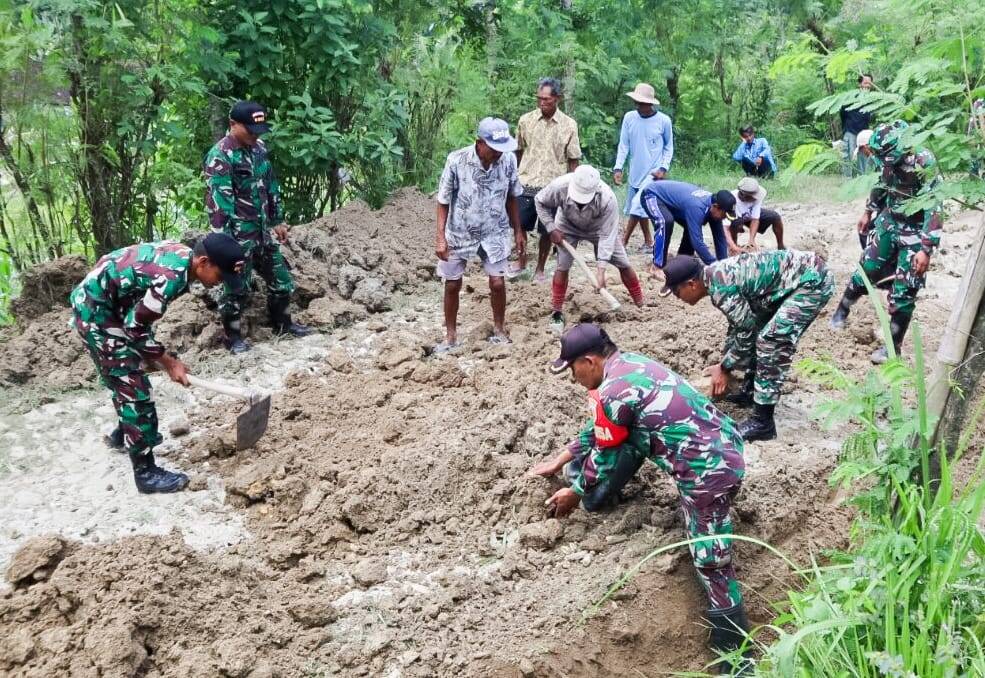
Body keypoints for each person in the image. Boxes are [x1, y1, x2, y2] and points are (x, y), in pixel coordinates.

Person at [528, 324, 750, 674]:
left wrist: (575, 492)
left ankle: (737, 658)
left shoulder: (614, 390)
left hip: (707, 471)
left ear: (588, 361)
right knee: (631, 442)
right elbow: (604, 427)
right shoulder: (630, 366)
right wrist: (563, 458)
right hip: (724, 445)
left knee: (712, 561)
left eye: (572, 370)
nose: (572, 378)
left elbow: (603, 452)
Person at [70, 233, 246, 494]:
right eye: (220, 277)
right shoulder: (171, 279)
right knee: (134, 388)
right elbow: (136, 328)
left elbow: (137, 320)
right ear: (203, 263)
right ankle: (145, 473)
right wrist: (169, 362)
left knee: (129, 374)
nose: (220, 283)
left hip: (113, 305)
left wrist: (154, 356)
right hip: (97, 313)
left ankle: (124, 434)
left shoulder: (182, 257)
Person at [661, 250, 834, 441]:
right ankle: (750, 391)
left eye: (677, 292)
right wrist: (725, 364)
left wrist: (725, 368)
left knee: (771, 341)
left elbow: (746, 333)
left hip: (812, 282)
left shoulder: (721, 287)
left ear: (691, 284)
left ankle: (763, 422)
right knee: (760, 328)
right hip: (796, 279)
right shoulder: (715, 277)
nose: (679, 299)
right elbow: (740, 327)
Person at [829, 121, 943, 364]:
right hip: (889, 222)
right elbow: (882, 184)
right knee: (867, 268)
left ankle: (892, 348)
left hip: (914, 230)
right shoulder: (885, 158)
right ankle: (842, 311)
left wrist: (926, 249)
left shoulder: (924, 161)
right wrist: (869, 211)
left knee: (905, 289)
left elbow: (935, 204)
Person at [204, 100, 311, 355]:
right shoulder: (220, 156)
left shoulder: (258, 149)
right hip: (237, 237)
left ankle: (284, 325)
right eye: (250, 130)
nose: (255, 135)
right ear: (233, 125)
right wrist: (225, 244)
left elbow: (270, 185)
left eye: (258, 131)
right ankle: (233, 338)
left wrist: (277, 220)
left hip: (262, 231)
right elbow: (219, 205)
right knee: (237, 287)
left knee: (281, 280)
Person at [434, 117, 525, 351]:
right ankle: (451, 335)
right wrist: (440, 237)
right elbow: (443, 200)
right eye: (494, 149)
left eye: (502, 149)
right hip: (460, 231)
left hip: (495, 231)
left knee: (497, 282)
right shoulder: (456, 160)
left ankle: (499, 329)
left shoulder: (508, 161)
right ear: (479, 143)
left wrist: (518, 231)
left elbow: (513, 197)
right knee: (452, 283)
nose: (498, 154)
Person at [534, 165, 645, 325]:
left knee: (623, 263)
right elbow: (539, 201)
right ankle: (557, 310)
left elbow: (607, 237)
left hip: (599, 228)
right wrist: (551, 228)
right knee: (562, 266)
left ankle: (640, 302)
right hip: (567, 226)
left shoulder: (608, 199)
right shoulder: (559, 186)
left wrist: (601, 271)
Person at [511, 77, 582, 282]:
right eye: (539, 99)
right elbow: (518, 150)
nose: (542, 103)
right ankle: (521, 261)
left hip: (553, 185)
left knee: (547, 229)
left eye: (547, 100)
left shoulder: (569, 125)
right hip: (526, 181)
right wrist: (514, 177)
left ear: (557, 99)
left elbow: (573, 159)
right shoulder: (526, 121)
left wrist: (572, 189)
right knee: (520, 226)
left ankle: (540, 268)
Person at [612, 83, 674, 253]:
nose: (640, 106)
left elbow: (669, 147)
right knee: (640, 207)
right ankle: (649, 241)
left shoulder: (663, 121)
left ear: (651, 103)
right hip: (635, 171)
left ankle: (622, 241)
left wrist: (663, 168)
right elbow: (623, 145)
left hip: (654, 172)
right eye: (637, 102)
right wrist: (618, 168)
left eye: (643, 102)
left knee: (636, 205)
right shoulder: (629, 118)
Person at [638, 180, 735, 277]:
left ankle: (682, 261)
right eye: (724, 215)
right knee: (666, 221)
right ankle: (656, 267)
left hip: (673, 203)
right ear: (715, 207)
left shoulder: (714, 207)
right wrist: (715, 266)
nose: (724, 218)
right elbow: (697, 243)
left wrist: (724, 265)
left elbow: (720, 238)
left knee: (692, 228)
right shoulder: (698, 207)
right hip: (652, 194)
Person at [727, 177, 785, 252]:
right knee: (736, 223)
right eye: (753, 197)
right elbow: (726, 221)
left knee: (775, 217)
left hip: (747, 216)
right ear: (744, 196)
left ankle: (781, 246)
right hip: (734, 219)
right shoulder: (731, 199)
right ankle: (733, 247)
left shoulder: (756, 198)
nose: (756, 198)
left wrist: (751, 240)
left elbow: (755, 219)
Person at [840, 74, 875, 176]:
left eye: (869, 83)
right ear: (859, 84)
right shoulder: (851, 98)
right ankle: (847, 180)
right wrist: (846, 128)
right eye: (865, 83)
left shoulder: (871, 99)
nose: (867, 86)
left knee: (864, 157)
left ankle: (862, 179)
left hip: (864, 134)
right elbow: (843, 113)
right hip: (851, 131)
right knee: (848, 157)